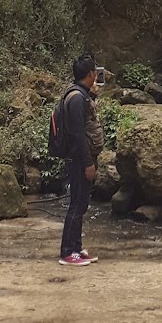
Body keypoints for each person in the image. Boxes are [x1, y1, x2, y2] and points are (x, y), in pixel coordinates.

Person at [58, 53, 104, 267]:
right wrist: (87, 163)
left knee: (82, 203)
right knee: (77, 204)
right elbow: (77, 134)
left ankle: (76, 248)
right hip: (78, 159)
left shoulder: (80, 95)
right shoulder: (76, 98)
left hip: (81, 158)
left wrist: (92, 95)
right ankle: (67, 252)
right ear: (91, 74)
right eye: (95, 72)